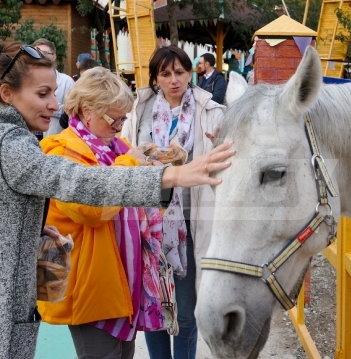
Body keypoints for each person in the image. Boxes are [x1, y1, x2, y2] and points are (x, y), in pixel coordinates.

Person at [0, 39, 234, 359]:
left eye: (53, 92)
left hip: (24, 301)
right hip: (0, 312)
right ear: (8, 94)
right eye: (42, 94)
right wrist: (170, 175)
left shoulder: (0, 137)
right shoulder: (11, 144)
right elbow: (83, 187)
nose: (54, 105)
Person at [38, 67, 165, 359]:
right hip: (88, 285)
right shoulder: (60, 150)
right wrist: (132, 165)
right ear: (86, 111)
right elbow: (91, 210)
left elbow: (139, 198)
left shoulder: (116, 148)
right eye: (114, 118)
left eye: (124, 118)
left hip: (121, 281)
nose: (120, 126)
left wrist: (156, 168)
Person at [121, 45, 225, 359]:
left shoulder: (211, 112)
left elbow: (222, 166)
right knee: (152, 307)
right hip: (147, 226)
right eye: (165, 74)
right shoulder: (138, 111)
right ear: (155, 77)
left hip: (192, 226)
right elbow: (122, 157)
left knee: (186, 311)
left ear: (190, 73)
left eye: (179, 72)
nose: (173, 80)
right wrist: (145, 157)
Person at [33, 38, 74, 137]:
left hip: (53, 137)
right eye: (35, 52)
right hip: (29, 137)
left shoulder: (67, 82)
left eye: (44, 53)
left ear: (54, 56)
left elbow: (72, 111)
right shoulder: (24, 81)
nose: (40, 56)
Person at [59, 58, 101, 130]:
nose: (85, 81)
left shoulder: (105, 98)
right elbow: (63, 122)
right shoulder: (76, 96)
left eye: (89, 78)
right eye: (82, 78)